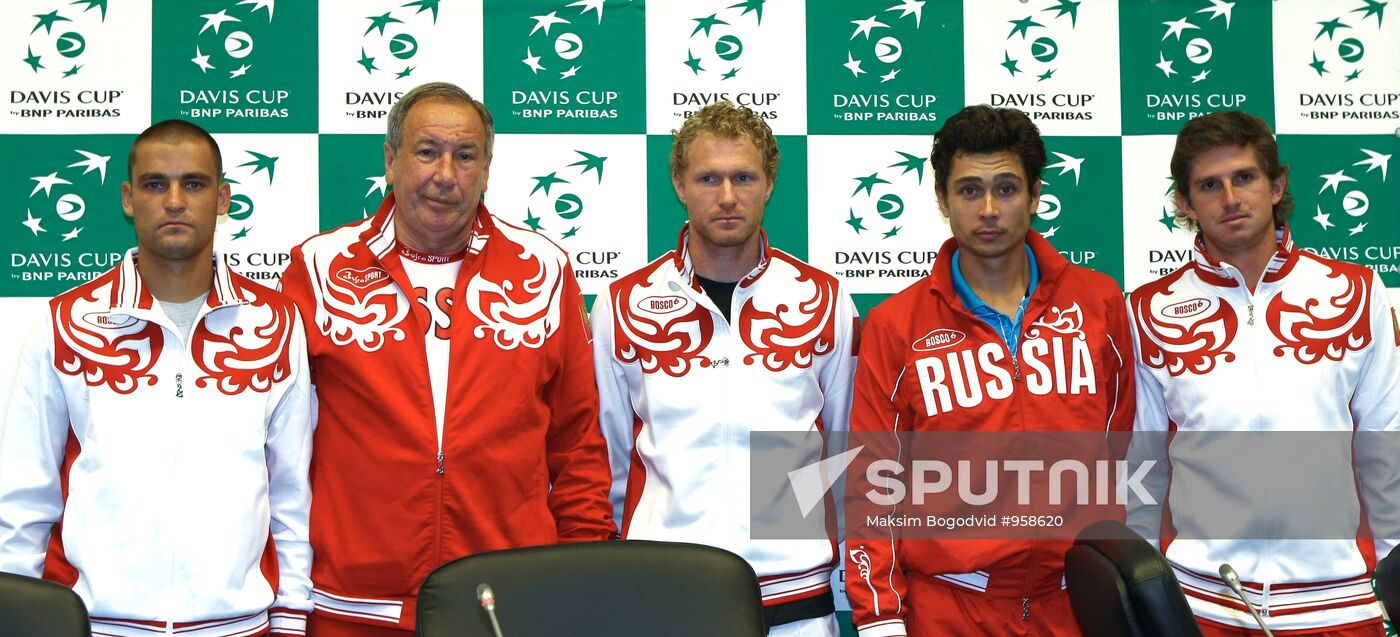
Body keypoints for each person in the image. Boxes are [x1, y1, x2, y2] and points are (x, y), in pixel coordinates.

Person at [279, 82, 614, 636]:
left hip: (504, 601)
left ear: (486, 172)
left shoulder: (544, 268)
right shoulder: (318, 267)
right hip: (352, 606)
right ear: (390, 160)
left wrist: (580, 574)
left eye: (465, 156)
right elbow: (278, 445)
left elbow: (578, 441)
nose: (444, 175)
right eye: (427, 151)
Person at [0, 120, 314, 637]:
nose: (174, 201)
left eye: (194, 183)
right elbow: (24, 496)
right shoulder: (65, 322)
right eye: (154, 184)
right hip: (94, 625)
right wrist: (17, 616)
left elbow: (291, 494)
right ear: (128, 199)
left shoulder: (276, 324)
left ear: (223, 199)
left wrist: (291, 616)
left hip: (237, 627)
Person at [844, 105, 1135, 636]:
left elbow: (1122, 449)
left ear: (1035, 194)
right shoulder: (895, 326)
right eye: (969, 191)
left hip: (1075, 604)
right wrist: (880, 618)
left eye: (1006, 188)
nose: (988, 210)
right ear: (942, 199)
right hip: (950, 609)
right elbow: (872, 483)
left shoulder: (1100, 302)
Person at [1127, 110, 1400, 636]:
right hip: (1202, 604)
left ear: (1276, 186)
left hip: (1340, 603)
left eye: (1245, 177)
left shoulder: (1357, 291)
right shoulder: (1148, 309)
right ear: (1185, 204)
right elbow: (1142, 464)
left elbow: (1385, 446)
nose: (1230, 198)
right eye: (1209, 185)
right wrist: (1140, 590)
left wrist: (1397, 573)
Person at [590, 101, 858, 637]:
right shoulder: (622, 304)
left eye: (744, 177)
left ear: (770, 183)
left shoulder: (824, 299)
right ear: (679, 184)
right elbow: (608, 458)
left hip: (798, 601)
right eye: (709, 178)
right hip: (666, 591)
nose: (728, 196)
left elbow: (846, 449)